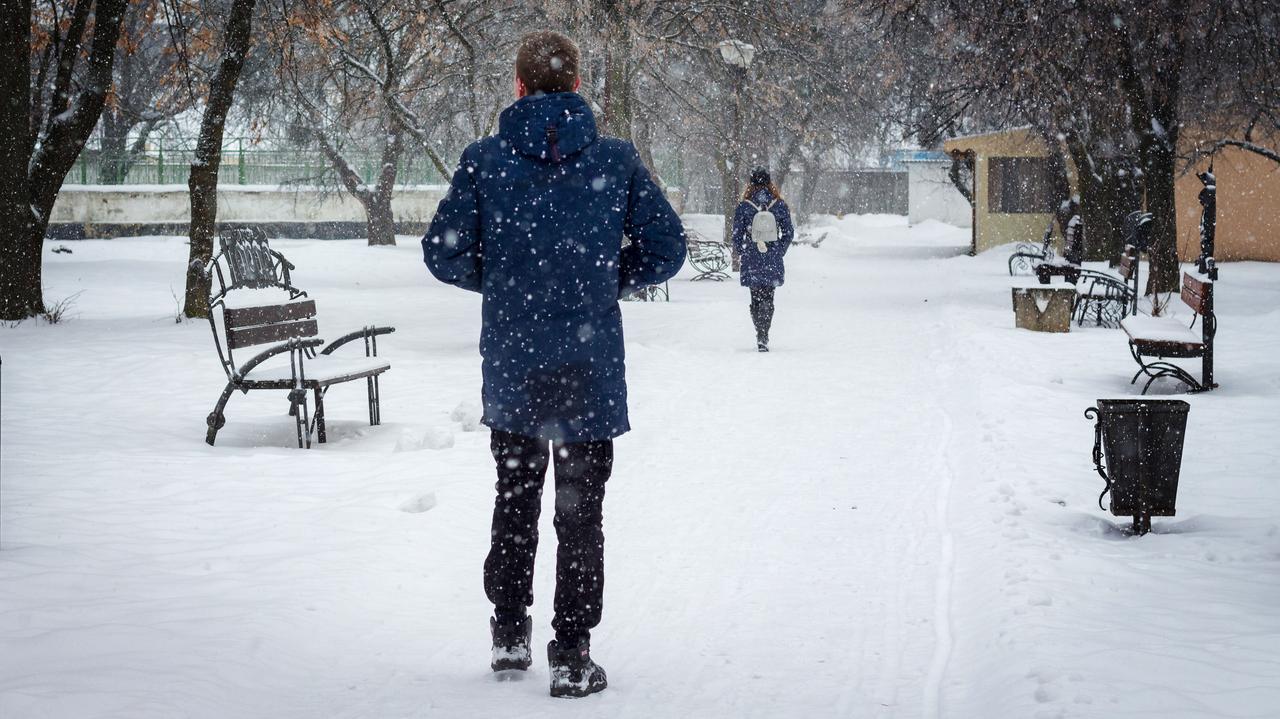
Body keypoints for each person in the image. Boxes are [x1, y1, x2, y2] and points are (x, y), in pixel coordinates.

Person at [421, 30, 685, 698]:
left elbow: (442, 251)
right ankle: (571, 652)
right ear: (576, 85)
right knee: (580, 513)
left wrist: (508, 281)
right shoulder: (616, 161)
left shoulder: (484, 160)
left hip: (515, 369)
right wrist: (604, 279)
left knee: (514, 500)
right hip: (588, 369)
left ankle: (510, 630)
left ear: (517, 85)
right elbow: (667, 247)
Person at [732, 167, 795, 351]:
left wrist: (745, 251)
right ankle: (764, 335)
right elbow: (789, 233)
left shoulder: (744, 206)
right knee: (769, 297)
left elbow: (736, 236)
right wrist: (778, 250)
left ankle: (759, 332)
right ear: (769, 182)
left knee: (756, 298)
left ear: (751, 183)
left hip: (752, 256)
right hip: (772, 257)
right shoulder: (779, 205)